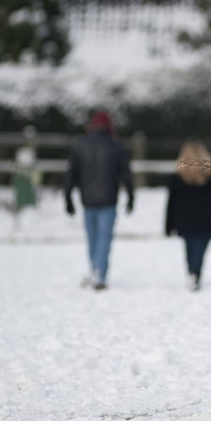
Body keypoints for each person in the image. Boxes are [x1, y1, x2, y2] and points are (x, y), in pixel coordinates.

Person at [64, 110, 134, 290]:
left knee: (92, 239)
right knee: (104, 240)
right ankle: (100, 275)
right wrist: (131, 196)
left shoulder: (81, 145)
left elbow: (71, 174)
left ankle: (95, 269)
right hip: (109, 199)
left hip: (87, 200)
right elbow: (126, 174)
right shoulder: (116, 145)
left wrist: (68, 198)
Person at [165, 138, 211, 292]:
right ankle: (195, 273)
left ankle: (192, 272)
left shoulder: (177, 178)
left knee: (189, 247)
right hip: (206, 221)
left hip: (184, 221)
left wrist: (168, 224)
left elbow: (171, 203)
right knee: (199, 249)